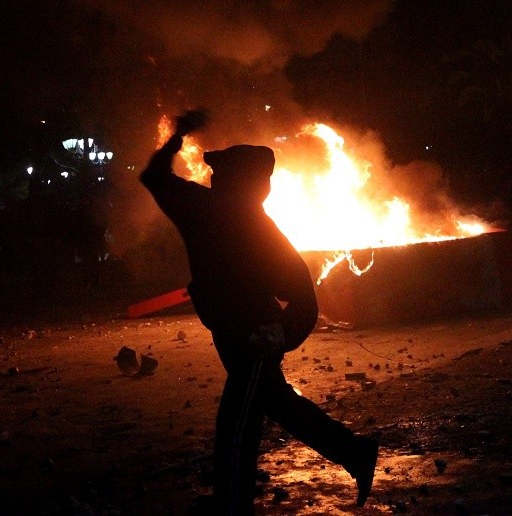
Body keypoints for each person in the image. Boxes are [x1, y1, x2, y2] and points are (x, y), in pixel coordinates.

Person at [140, 110, 379, 515]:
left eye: (222, 173)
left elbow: (304, 299)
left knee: (236, 424)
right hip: (237, 334)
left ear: (242, 183)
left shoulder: (221, 216)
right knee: (275, 404)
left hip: (251, 339)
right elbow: (302, 294)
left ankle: (233, 505)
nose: (213, 176)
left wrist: (278, 335)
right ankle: (354, 452)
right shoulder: (219, 212)